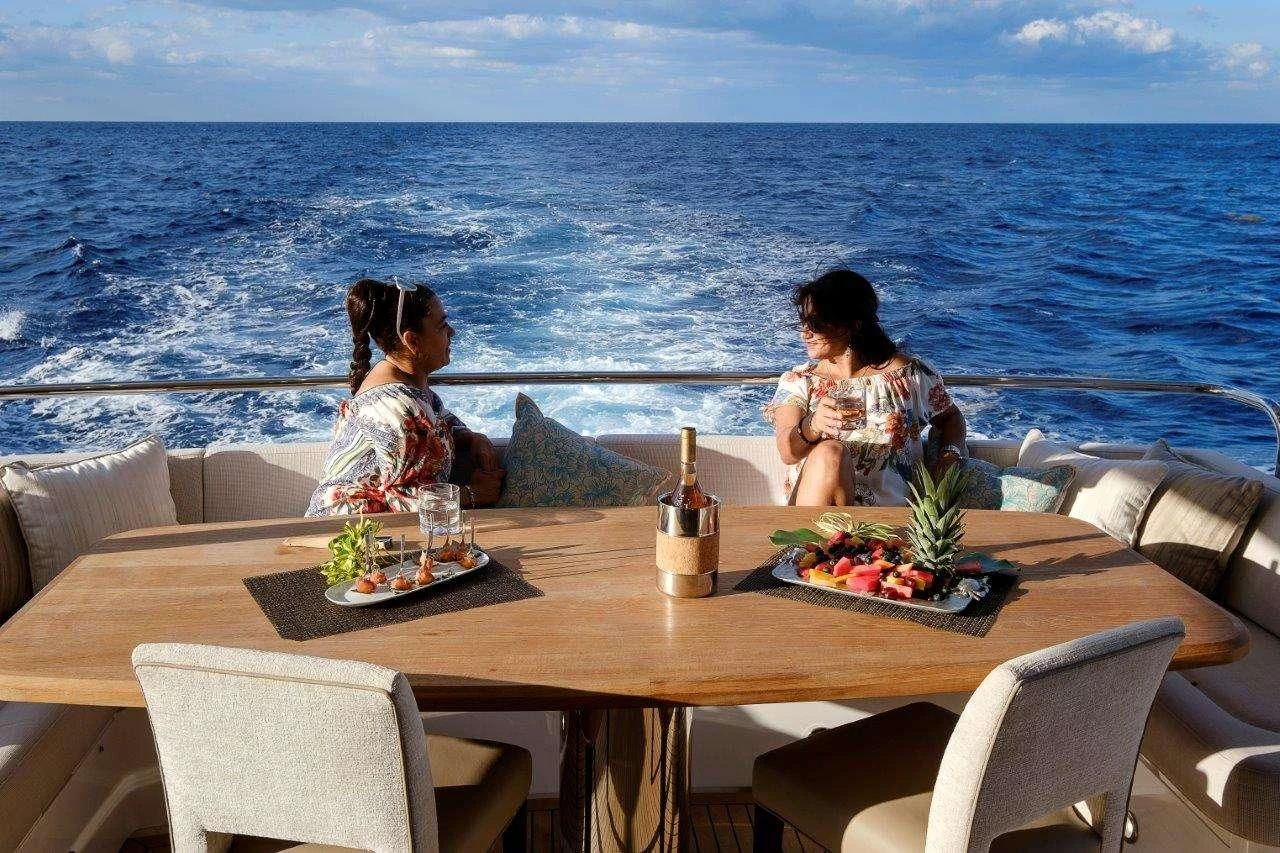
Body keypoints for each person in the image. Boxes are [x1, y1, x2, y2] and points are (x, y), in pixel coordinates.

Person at [764, 268, 966, 506]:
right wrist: (812, 425)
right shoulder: (800, 381)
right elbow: (788, 452)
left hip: (891, 521)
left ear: (852, 324)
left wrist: (949, 456)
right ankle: (828, 544)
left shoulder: (909, 375)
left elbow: (951, 418)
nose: (805, 332)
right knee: (831, 452)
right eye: (803, 322)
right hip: (818, 523)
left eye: (815, 323)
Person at [306, 278, 504, 516]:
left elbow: (437, 416)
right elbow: (405, 501)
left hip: (379, 530)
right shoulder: (393, 407)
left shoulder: (403, 380)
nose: (452, 332)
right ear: (413, 341)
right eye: (442, 326)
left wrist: (469, 437)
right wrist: (475, 493)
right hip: (348, 536)